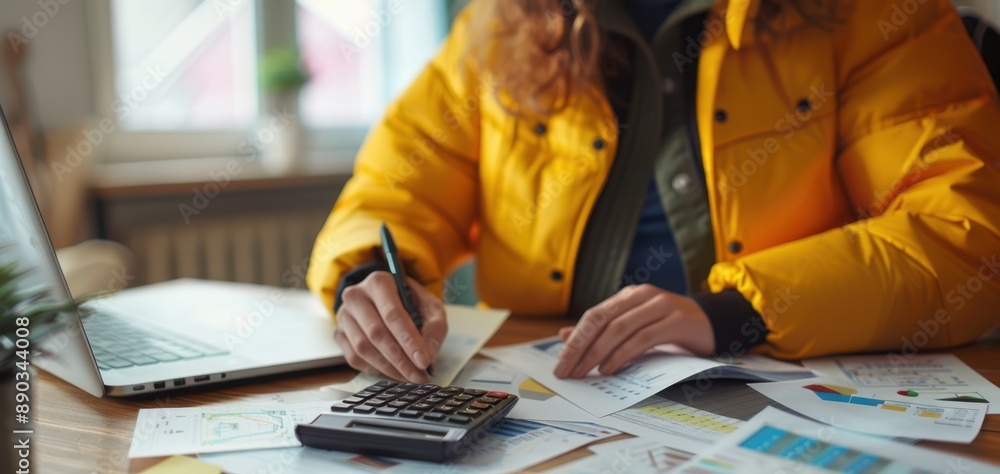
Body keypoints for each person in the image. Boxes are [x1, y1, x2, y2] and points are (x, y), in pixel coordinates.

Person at [307, 0, 1000, 385]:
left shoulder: (877, 14)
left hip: (778, 387)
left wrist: (734, 312)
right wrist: (369, 277)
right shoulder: (493, 25)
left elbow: (967, 238)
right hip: (552, 406)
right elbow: (390, 192)